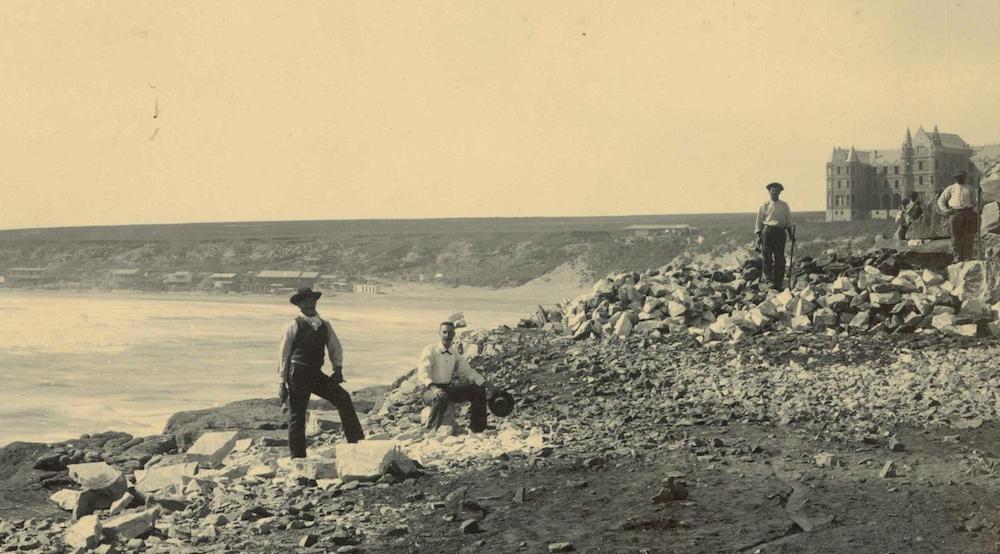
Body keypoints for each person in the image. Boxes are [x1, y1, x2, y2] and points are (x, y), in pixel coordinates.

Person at [278, 287, 364, 458]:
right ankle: (298, 456)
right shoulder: (293, 325)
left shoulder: (325, 325)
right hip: (298, 373)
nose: (310, 303)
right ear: (299, 305)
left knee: (343, 398)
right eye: (305, 301)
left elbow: (335, 347)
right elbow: (283, 354)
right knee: (297, 415)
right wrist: (282, 382)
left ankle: (356, 443)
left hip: (315, 374)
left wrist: (337, 369)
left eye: (312, 300)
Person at [416, 321, 495, 433]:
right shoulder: (430, 350)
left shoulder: (454, 354)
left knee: (478, 390)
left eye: (450, 333)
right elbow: (423, 372)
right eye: (444, 332)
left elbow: (467, 372)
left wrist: (485, 383)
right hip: (429, 390)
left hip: (446, 389)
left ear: (454, 334)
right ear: (439, 333)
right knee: (440, 396)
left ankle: (479, 428)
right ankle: (431, 429)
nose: (447, 336)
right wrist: (434, 388)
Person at [754, 182, 795, 288]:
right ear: (769, 192)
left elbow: (788, 222)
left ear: (780, 192)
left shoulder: (784, 205)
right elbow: (759, 222)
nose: (774, 192)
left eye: (776, 190)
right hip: (767, 232)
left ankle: (778, 281)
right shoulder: (765, 205)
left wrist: (791, 236)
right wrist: (759, 236)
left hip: (780, 233)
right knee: (767, 256)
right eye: (772, 190)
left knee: (779, 257)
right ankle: (768, 280)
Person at [936, 170, 979, 262]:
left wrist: (973, 212)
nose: (959, 178)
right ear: (955, 178)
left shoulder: (971, 189)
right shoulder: (951, 188)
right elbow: (941, 200)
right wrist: (946, 210)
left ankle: (967, 257)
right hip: (955, 213)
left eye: (961, 176)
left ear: (965, 177)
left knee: (968, 236)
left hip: (968, 213)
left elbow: (976, 202)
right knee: (955, 237)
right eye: (957, 177)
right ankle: (957, 257)